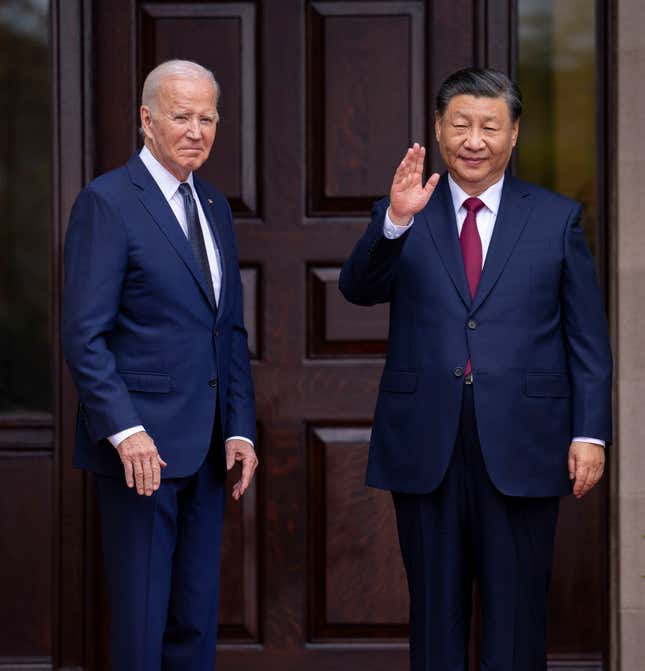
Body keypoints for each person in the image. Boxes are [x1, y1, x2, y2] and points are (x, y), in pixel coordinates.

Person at [339, 68, 612, 670]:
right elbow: (357, 289)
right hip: (426, 442)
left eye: (490, 126)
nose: (474, 139)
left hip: (525, 441)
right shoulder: (405, 210)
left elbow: (586, 337)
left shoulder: (555, 217)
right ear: (438, 130)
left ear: (514, 135)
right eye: (460, 124)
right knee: (435, 613)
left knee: (516, 617)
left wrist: (590, 433)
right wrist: (395, 223)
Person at [62, 59, 257, 671]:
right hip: (138, 455)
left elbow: (226, 329)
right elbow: (83, 335)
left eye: (208, 118)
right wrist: (125, 430)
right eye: (181, 116)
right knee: (143, 622)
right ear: (147, 120)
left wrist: (240, 426)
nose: (196, 130)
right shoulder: (108, 201)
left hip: (204, 452)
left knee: (195, 619)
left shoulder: (215, 207)